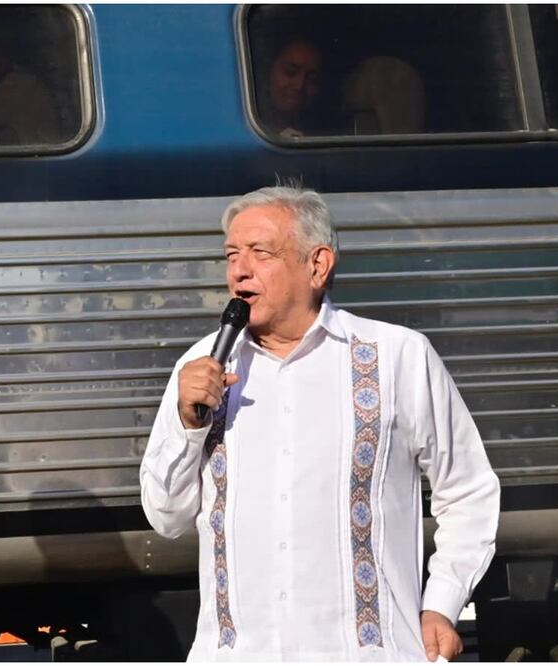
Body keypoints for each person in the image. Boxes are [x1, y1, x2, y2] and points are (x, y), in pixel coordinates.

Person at [140, 185, 499, 661]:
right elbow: (166, 518)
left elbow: (468, 491)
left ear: (317, 264)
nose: (239, 270)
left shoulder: (396, 357)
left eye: (259, 253)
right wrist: (189, 426)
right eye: (231, 255)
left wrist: (443, 603)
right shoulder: (202, 367)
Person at [258, 39, 324, 138]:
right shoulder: (249, 123)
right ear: (268, 70)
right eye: (290, 71)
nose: (299, 85)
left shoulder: (321, 129)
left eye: (312, 80)